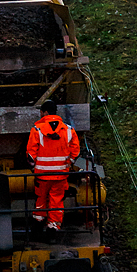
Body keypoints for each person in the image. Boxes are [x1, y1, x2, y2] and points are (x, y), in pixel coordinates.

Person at [27, 100, 80, 234]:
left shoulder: (37, 130)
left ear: (44, 112)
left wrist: (34, 167)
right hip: (60, 174)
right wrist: (69, 162)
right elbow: (76, 150)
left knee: (41, 198)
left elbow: (30, 155)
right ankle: (53, 227)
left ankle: (38, 222)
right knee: (56, 201)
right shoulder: (69, 130)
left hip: (42, 175)